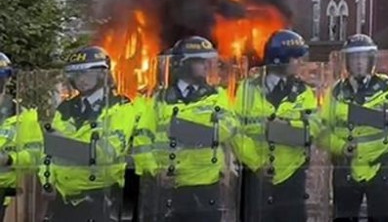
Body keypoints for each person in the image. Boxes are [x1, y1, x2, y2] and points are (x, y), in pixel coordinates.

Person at [133, 36, 238, 222]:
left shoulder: (217, 96)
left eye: (208, 61)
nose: (206, 66)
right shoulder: (160, 99)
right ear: (183, 64)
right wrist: (154, 170)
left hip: (207, 183)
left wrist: (182, 129)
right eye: (200, 61)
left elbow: (227, 128)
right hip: (169, 184)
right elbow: (142, 138)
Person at [37, 46, 135, 221]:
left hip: (102, 197)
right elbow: (48, 151)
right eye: (77, 74)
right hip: (63, 199)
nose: (81, 79)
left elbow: (107, 153)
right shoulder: (65, 108)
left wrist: (63, 145)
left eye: (87, 73)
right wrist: (47, 181)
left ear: (102, 74)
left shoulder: (121, 106)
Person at [320, 34, 388, 222]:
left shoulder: (387, 87)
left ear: (371, 60)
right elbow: (322, 131)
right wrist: (341, 147)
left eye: (363, 58)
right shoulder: (336, 92)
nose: (359, 63)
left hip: (380, 166)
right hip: (347, 167)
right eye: (354, 58)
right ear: (347, 62)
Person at [235, 29, 318, 222]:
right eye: (295, 58)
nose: (300, 63)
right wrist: (256, 163)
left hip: (292, 176)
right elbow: (236, 132)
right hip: (256, 178)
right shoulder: (248, 89)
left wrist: (282, 128)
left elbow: (313, 130)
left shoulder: (303, 92)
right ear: (279, 59)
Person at [0, 52, 40, 220]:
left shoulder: (23, 116)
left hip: (5, 196)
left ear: (7, 79)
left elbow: (35, 155)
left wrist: (9, 159)